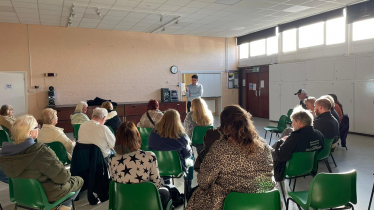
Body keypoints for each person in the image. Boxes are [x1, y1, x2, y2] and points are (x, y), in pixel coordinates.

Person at [187, 105, 274, 210]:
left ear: (224, 126)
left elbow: (203, 181)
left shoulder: (220, 148)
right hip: (264, 202)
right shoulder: (263, 145)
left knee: (196, 196)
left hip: (229, 204)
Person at [0, 115, 83, 209]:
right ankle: (62, 207)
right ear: (30, 133)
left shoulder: (5, 154)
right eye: (37, 127)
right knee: (79, 180)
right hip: (46, 195)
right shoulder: (40, 152)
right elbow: (63, 178)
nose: (38, 129)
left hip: (21, 195)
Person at [109, 121, 170, 209]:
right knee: (166, 192)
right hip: (147, 201)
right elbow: (156, 185)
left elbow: (115, 181)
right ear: (137, 136)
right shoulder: (149, 156)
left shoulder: (112, 158)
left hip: (123, 201)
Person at [272, 105, 324, 181]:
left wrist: (281, 142)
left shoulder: (294, 138)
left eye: (293, 122)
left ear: (299, 123)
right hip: (309, 166)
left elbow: (281, 157)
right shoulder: (319, 135)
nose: (292, 125)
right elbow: (320, 149)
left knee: (269, 151)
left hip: (291, 169)